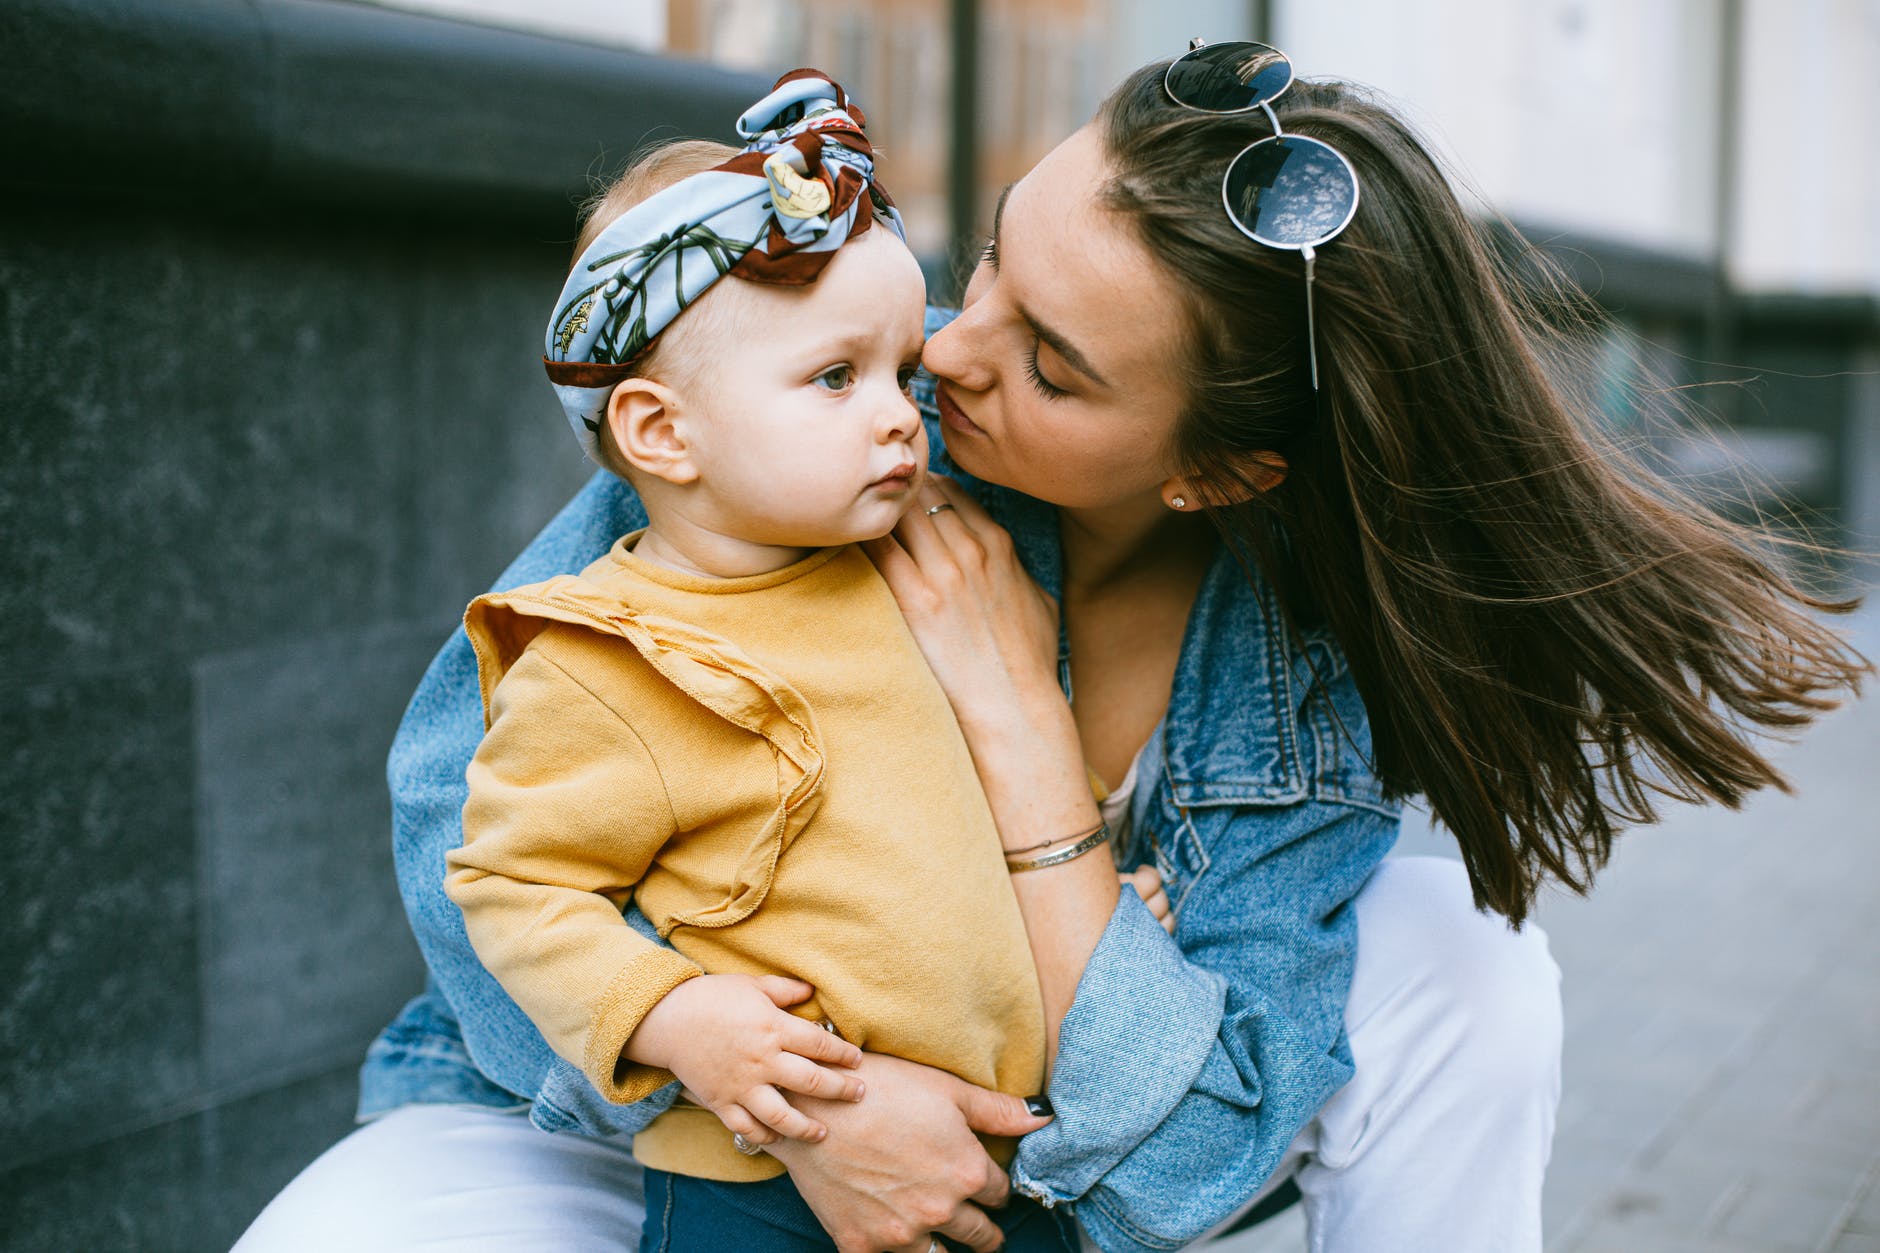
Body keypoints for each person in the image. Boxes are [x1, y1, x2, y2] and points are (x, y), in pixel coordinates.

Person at [238, 40, 1868, 1253]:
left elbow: (1185, 1166)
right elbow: (468, 815)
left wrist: (1021, 727)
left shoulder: (1283, 677)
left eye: (1056, 366)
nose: (945, 353)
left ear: (1218, 469)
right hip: (643, 1108)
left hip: (1036, 1164)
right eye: (997, 252)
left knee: (1468, 967)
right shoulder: (828, 447)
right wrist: (801, 1111)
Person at [437, 68, 1085, 1253]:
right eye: (836, 377)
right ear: (660, 433)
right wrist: (673, 1014)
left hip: (996, 1158)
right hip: (762, 1187)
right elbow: (511, 884)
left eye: (899, 368)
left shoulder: (906, 569)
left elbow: (931, 819)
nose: (900, 413)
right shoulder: (613, 656)